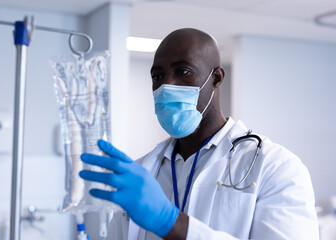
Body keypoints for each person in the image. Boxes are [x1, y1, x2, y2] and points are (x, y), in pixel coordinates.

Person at [79, 28, 319, 240]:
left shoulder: (276, 168)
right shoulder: (144, 172)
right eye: (158, 76)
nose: (166, 86)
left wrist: (171, 223)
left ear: (216, 78)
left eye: (183, 72)